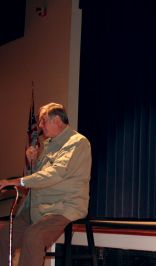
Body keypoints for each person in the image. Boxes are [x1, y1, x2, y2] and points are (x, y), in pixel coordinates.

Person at [0, 102, 92, 266]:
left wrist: (16, 181)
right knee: (5, 236)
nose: (40, 126)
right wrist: (32, 162)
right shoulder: (50, 144)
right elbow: (39, 177)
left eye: (43, 121)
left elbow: (56, 173)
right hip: (38, 206)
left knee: (33, 236)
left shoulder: (77, 143)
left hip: (62, 206)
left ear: (57, 119)